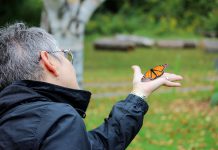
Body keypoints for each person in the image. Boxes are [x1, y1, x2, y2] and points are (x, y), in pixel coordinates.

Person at [0, 23, 183, 150]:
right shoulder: (58, 120)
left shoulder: (13, 118)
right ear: (49, 62)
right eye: (66, 56)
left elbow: (93, 145)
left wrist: (138, 95)